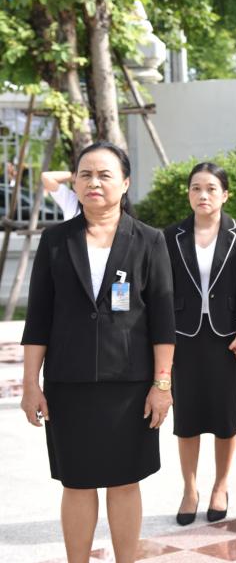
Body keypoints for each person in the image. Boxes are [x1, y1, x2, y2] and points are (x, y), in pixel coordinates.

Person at [20, 142, 176, 562]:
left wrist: (162, 385)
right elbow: (38, 319)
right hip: (68, 384)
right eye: (85, 174)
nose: (94, 182)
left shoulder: (149, 241)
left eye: (105, 174)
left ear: (125, 183)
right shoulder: (56, 240)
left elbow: (163, 321)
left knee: (125, 480)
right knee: (77, 482)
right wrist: (30, 384)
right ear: (74, 182)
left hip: (130, 385)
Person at [163, 162, 236, 525]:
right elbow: (162, 288)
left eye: (211, 188)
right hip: (183, 337)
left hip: (227, 338)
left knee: (225, 416)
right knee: (186, 418)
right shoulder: (171, 236)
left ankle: (221, 486)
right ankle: (190, 489)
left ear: (225, 195)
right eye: (196, 188)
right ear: (188, 194)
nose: (203, 195)